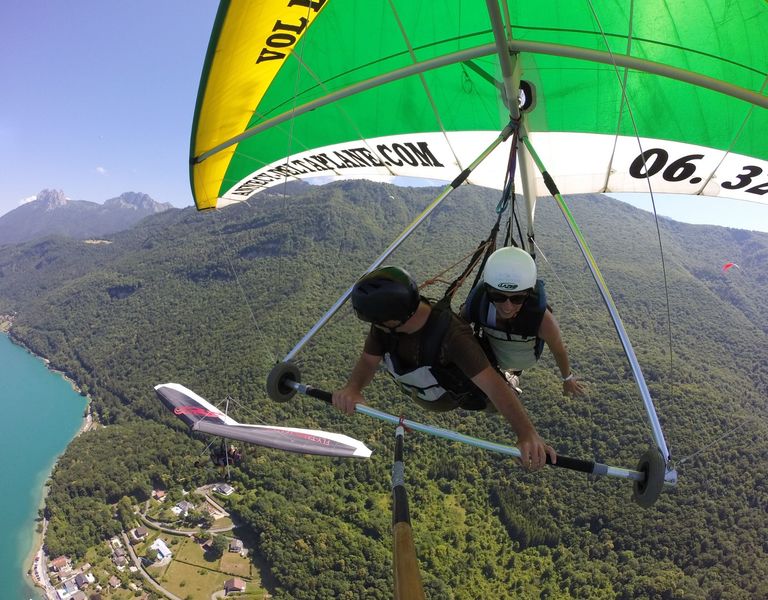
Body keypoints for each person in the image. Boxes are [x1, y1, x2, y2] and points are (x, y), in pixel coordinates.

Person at [332, 266, 556, 470]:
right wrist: (353, 388)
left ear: (391, 320)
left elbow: (494, 387)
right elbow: (368, 360)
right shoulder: (385, 327)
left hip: (462, 395)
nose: (375, 327)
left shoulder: (453, 336)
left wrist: (526, 433)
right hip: (428, 392)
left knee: (493, 400)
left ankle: (511, 376)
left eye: (377, 322)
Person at [460, 247, 584, 397]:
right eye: (498, 296)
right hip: (493, 355)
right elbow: (457, 332)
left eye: (517, 298)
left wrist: (567, 378)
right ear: (487, 291)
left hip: (523, 359)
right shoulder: (477, 306)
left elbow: (559, 350)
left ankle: (512, 376)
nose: (507, 307)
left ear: (528, 294)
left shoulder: (542, 321)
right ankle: (507, 377)